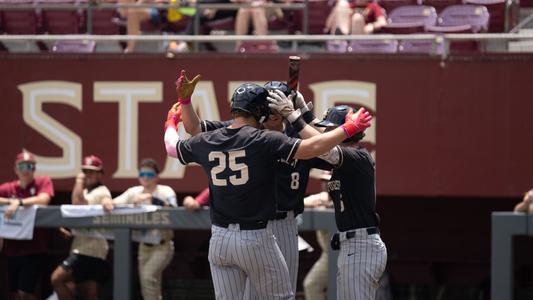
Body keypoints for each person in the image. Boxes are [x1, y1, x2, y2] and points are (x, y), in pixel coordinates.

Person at [163, 69, 372, 299]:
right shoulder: (252, 133)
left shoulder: (290, 131)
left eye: (277, 105)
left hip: (280, 221)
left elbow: (324, 145)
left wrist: (302, 116)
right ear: (260, 110)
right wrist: (331, 123)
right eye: (268, 105)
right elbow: (195, 127)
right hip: (257, 227)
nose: (272, 112)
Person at [102, 158, 177, 300]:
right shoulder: (134, 192)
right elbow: (113, 203)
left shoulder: (166, 190)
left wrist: (151, 198)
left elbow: (174, 209)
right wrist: (106, 201)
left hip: (163, 245)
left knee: (148, 278)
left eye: (149, 175)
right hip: (144, 246)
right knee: (149, 284)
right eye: (142, 174)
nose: (145, 178)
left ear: (157, 177)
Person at [50, 155, 111, 300]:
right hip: (86, 247)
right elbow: (79, 215)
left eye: (92, 171)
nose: (88, 175)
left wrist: (78, 180)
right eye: (86, 171)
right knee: (89, 293)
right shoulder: (85, 191)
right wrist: (69, 229)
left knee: (56, 279)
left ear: (100, 174)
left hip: (90, 249)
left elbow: (78, 204)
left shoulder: (101, 191)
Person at [0, 150, 55, 300]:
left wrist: (20, 202)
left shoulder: (42, 182)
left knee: (25, 293)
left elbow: (44, 199)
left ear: (34, 169)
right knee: (16, 294)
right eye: (22, 166)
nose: (26, 170)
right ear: (15, 169)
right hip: (12, 250)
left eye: (30, 166)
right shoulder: (8, 188)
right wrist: (9, 202)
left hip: (35, 248)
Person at [303, 172, 333, 300]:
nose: (325, 185)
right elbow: (300, 203)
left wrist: (328, 207)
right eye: (323, 181)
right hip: (328, 253)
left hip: (346, 251)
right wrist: (317, 204)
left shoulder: (345, 197)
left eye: (328, 181)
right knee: (311, 284)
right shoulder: (322, 197)